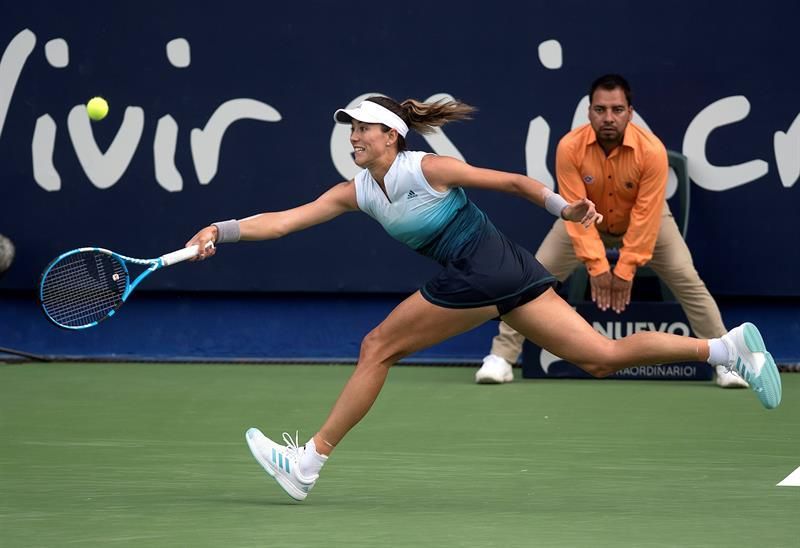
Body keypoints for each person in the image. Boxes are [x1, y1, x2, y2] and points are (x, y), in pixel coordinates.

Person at [185, 95, 781, 501]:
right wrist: (220, 230)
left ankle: (308, 464)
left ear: (391, 135)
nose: (354, 137)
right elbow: (284, 221)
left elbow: (513, 182)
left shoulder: (428, 168)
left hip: (481, 269)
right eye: (351, 129)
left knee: (377, 347)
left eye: (363, 128)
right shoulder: (358, 191)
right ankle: (727, 349)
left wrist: (564, 208)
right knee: (599, 357)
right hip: (506, 269)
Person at [477, 74, 748, 389]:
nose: (608, 117)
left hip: (645, 222)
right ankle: (501, 357)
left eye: (617, 110)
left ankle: (727, 360)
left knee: (687, 278)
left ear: (629, 113)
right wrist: (597, 265)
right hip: (584, 220)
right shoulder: (569, 147)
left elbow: (646, 216)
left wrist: (625, 268)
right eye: (600, 109)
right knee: (531, 279)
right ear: (589, 112)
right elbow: (575, 211)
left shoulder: (652, 150)